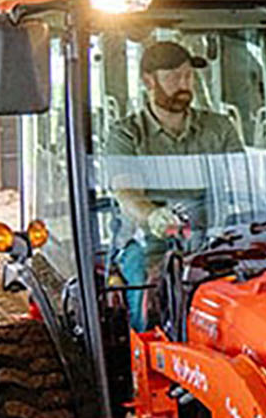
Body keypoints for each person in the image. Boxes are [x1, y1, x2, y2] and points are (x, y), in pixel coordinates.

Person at [102, 38, 245, 320]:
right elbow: (127, 193)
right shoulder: (127, 134)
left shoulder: (219, 128)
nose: (184, 83)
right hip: (149, 241)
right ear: (148, 81)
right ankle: (142, 350)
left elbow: (242, 181)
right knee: (150, 297)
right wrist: (153, 216)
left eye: (189, 75)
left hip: (213, 237)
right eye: (174, 76)